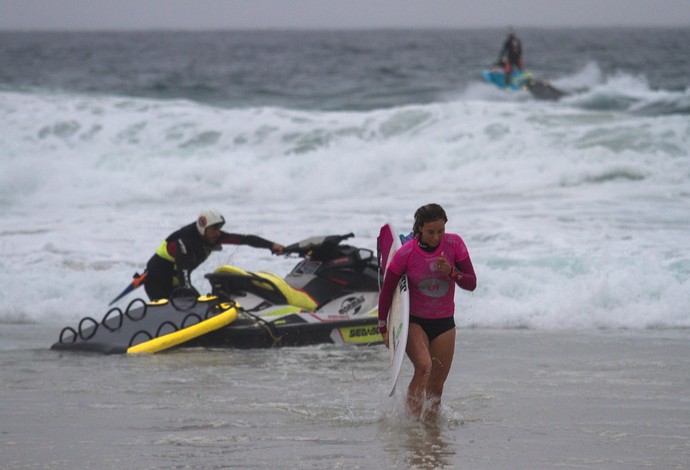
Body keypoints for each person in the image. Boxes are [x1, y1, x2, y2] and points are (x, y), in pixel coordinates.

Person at [378, 203, 477, 420]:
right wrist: (383, 327)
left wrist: (452, 272)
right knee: (424, 367)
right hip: (415, 321)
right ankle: (411, 425)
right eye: (431, 232)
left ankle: (431, 435)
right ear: (420, 229)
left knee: (436, 388)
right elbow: (387, 292)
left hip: (444, 323)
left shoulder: (454, 244)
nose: (436, 237)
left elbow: (471, 283)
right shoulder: (406, 253)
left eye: (440, 231)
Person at [143, 210, 285, 300]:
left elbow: (245, 239)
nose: (218, 233)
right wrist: (196, 300)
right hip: (156, 282)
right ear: (203, 228)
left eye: (219, 229)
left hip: (175, 283)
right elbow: (184, 278)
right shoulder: (183, 242)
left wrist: (272, 245)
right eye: (214, 229)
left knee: (193, 303)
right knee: (189, 303)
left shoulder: (213, 237)